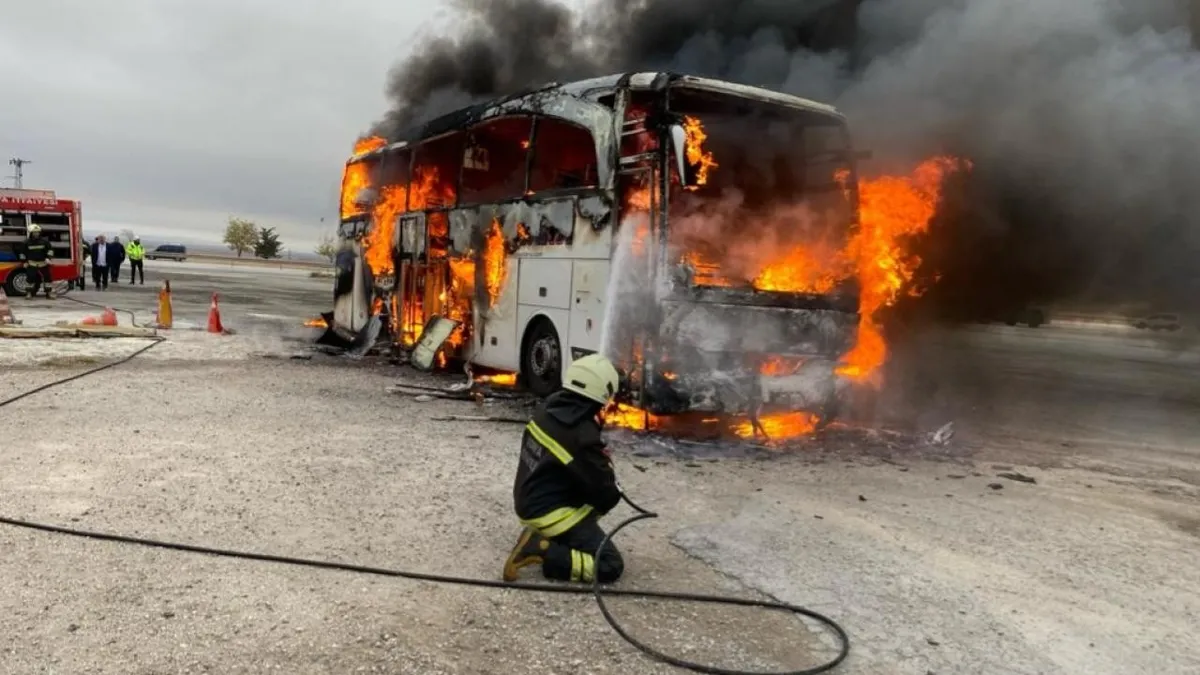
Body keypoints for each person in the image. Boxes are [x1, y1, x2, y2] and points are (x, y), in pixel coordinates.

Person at [503, 354, 625, 585]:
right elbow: (606, 495)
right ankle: (541, 548)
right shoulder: (581, 435)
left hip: (528, 499)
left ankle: (547, 536)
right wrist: (606, 470)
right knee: (609, 565)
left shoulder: (548, 407)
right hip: (549, 512)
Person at [19, 224, 54, 299]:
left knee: (47, 278)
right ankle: (29, 293)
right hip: (32, 263)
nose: (36, 234)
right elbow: (22, 253)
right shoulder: (26, 243)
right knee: (30, 278)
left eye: (37, 232)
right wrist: (24, 262)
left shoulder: (45, 242)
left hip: (43, 263)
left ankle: (49, 293)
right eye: (34, 232)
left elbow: (50, 250)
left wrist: (48, 258)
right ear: (31, 233)